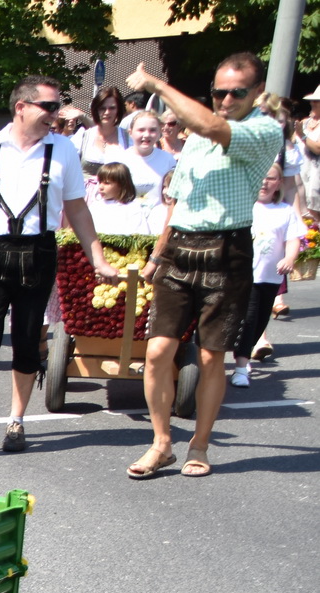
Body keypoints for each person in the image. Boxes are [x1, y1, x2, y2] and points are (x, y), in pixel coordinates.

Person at [0, 76, 115, 460]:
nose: (56, 114)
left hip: (39, 250)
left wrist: (96, 256)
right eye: (48, 107)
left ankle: (16, 420)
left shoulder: (62, 148)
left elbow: (77, 209)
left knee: (28, 341)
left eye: (56, 107)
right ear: (22, 107)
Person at [123, 55, 282, 478]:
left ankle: (200, 444)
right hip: (180, 246)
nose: (226, 99)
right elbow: (178, 201)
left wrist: (155, 85)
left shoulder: (263, 129)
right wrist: (159, 252)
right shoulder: (195, 134)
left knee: (212, 357)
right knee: (157, 351)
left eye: (237, 92)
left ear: (257, 93)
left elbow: (215, 127)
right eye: (219, 92)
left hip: (227, 248)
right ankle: (161, 443)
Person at [231, 164, 298, 385]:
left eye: (270, 178)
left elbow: (293, 239)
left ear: (278, 183)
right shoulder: (242, 207)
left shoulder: (285, 211)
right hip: (244, 276)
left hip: (270, 276)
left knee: (260, 322)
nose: (264, 182)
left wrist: (289, 259)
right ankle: (241, 368)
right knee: (248, 320)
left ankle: (244, 352)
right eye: (260, 177)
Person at [114, 110, 177, 202]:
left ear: (160, 132)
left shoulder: (168, 160)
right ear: (130, 132)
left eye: (152, 130)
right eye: (141, 130)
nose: (147, 135)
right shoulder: (119, 160)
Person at [88, 161, 156, 235]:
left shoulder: (132, 208)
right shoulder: (95, 206)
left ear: (121, 184)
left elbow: (140, 235)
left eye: (107, 183)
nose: (101, 187)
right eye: (100, 182)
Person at [78, 87, 129, 177]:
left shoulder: (128, 138)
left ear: (119, 110)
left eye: (112, 108)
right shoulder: (83, 136)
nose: (107, 112)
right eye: (102, 108)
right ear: (96, 110)